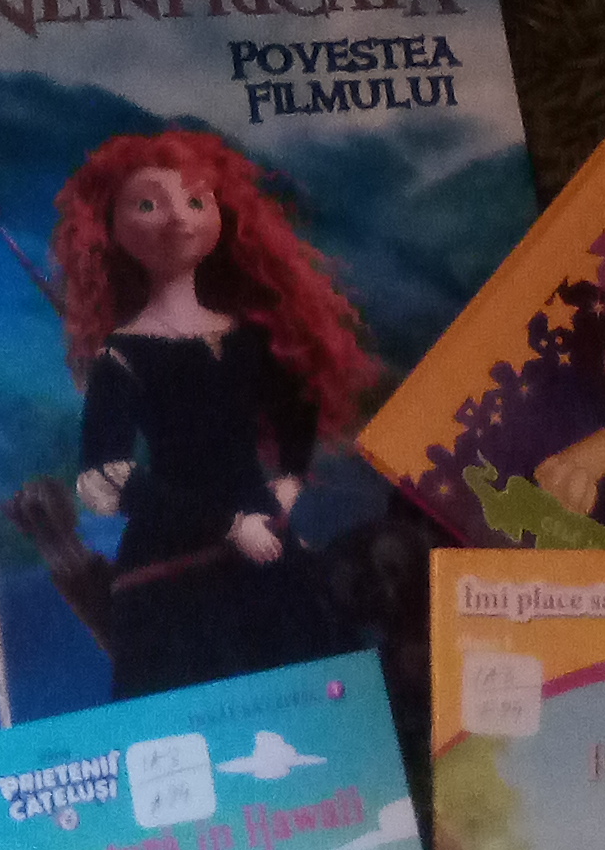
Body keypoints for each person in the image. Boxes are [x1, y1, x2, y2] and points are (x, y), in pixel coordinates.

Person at [52, 130, 371, 699]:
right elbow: (106, 479)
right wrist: (228, 524)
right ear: (108, 229)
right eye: (148, 204)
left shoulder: (247, 337)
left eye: (195, 200)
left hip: (268, 544)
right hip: (175, 567)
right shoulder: (122, 356)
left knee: (315, 694)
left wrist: (288, 483)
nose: (178, 217)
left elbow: (297, 406)